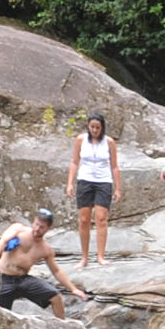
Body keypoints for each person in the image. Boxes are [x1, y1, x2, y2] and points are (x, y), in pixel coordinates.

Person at [0, 206, 81, 315]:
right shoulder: (18, 229)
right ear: (33, 222)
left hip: (23, 280)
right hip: (3, 277)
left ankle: (63, 327)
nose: (37, 229)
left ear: (48, 228)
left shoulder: (46, 249)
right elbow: (2, 241)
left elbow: (56, 271)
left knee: (55, 296)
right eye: (36, 224)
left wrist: (73, 289)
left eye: (41, 227)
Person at [66, 113, 120, 266]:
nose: (95, 130)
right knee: (84, 220)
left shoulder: (109, 142)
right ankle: (84, 257)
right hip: (85, 181)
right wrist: (70, 183)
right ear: (88, 127)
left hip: (103, 181)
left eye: (98, 127)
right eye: (92, 127)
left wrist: (118, 188)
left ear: (102, 128)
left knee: (101, 218)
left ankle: (101, 256)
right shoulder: (81, 140)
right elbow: (75, 162)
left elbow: (114, 166)